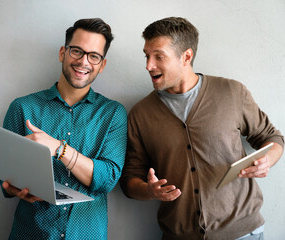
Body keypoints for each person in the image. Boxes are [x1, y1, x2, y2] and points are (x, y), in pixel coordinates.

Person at [120, 17, 284, 240]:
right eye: (147, 56)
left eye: (158, 56)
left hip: (244, 234)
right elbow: (130, 181)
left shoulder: (232, 92)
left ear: (186, 56)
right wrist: (149, 191)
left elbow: (272, 137)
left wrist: (267, 160)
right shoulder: (141, 114)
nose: (149, 65)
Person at [0, 18, 127, 240]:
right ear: (63, 53)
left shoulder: (113, 113)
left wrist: (60, 149)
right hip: (31, 234)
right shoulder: (22, 107)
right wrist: (10, 187)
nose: (83, 61)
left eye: (94, 56)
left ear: (102, 65)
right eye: (77, 51)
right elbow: (5, 178)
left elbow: (107, 179)